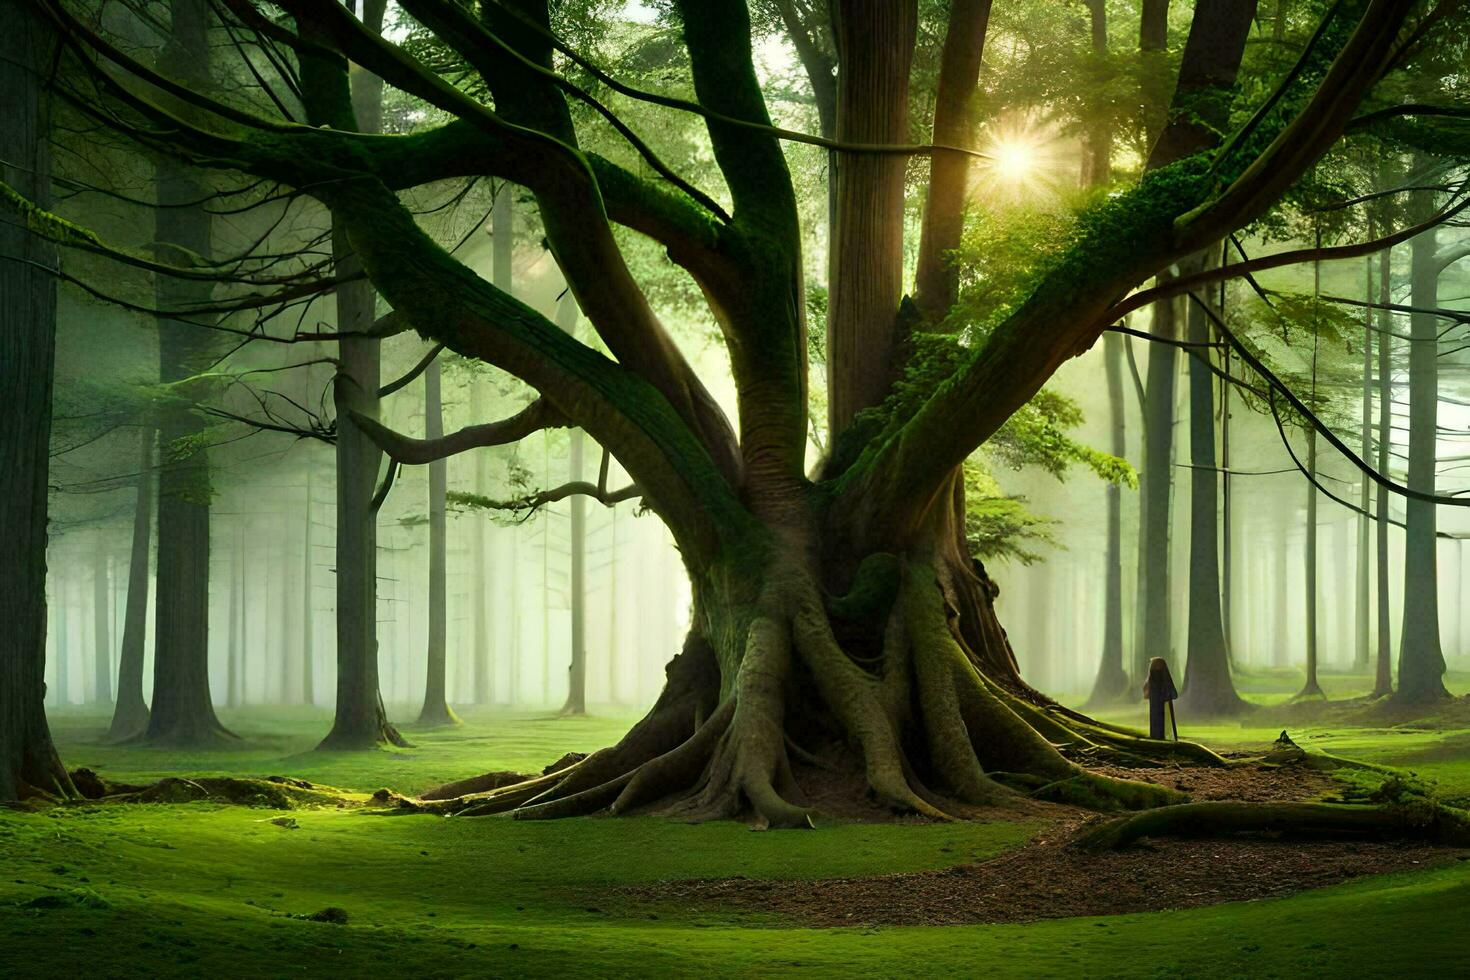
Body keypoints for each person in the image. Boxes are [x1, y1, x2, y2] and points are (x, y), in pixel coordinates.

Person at [1143, 657, 1179, 741]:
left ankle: (1157, 735)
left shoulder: (1155, 677)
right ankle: (1157, 735)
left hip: (1159, 700)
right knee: (1157, 717)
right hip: (1157, 699)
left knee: (1159, 717)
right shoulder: (1155, 677)